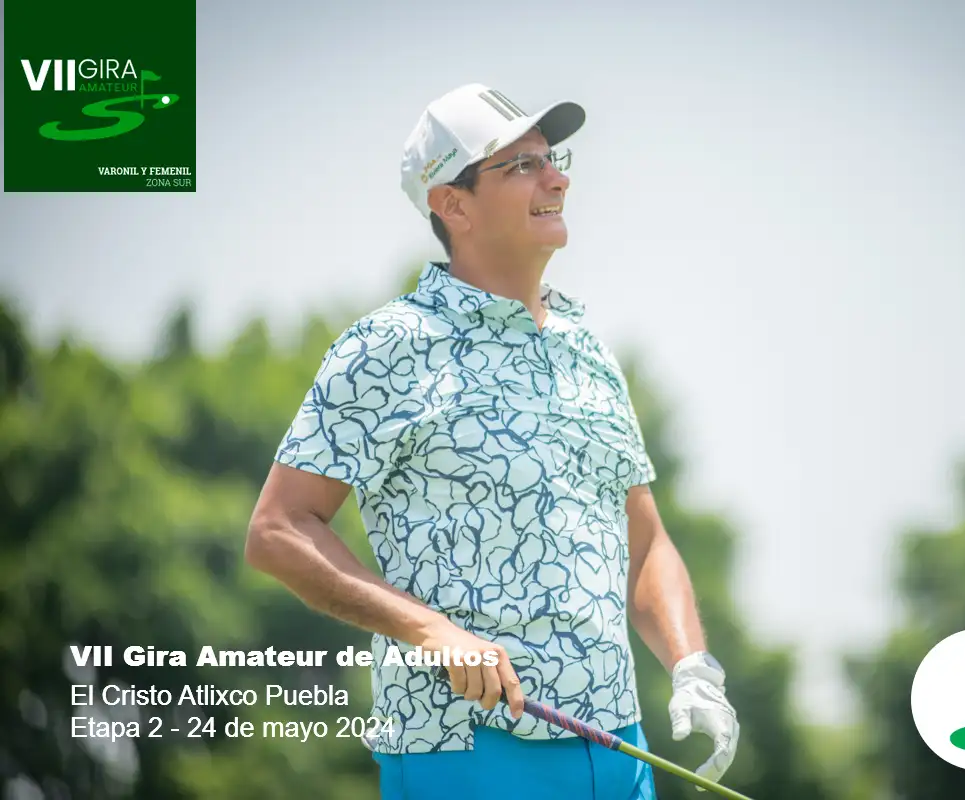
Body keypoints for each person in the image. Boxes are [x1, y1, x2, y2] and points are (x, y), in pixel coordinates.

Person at [244, 82, 739, 800]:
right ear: (453, 204)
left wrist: (693, 666)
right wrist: (430, 631)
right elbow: (278, 530)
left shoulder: (588, 352)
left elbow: (646, 543)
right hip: (465, 750)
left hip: (620, 749)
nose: (557, 180)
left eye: (553, 160)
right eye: (522, 165)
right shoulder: (389, 347)